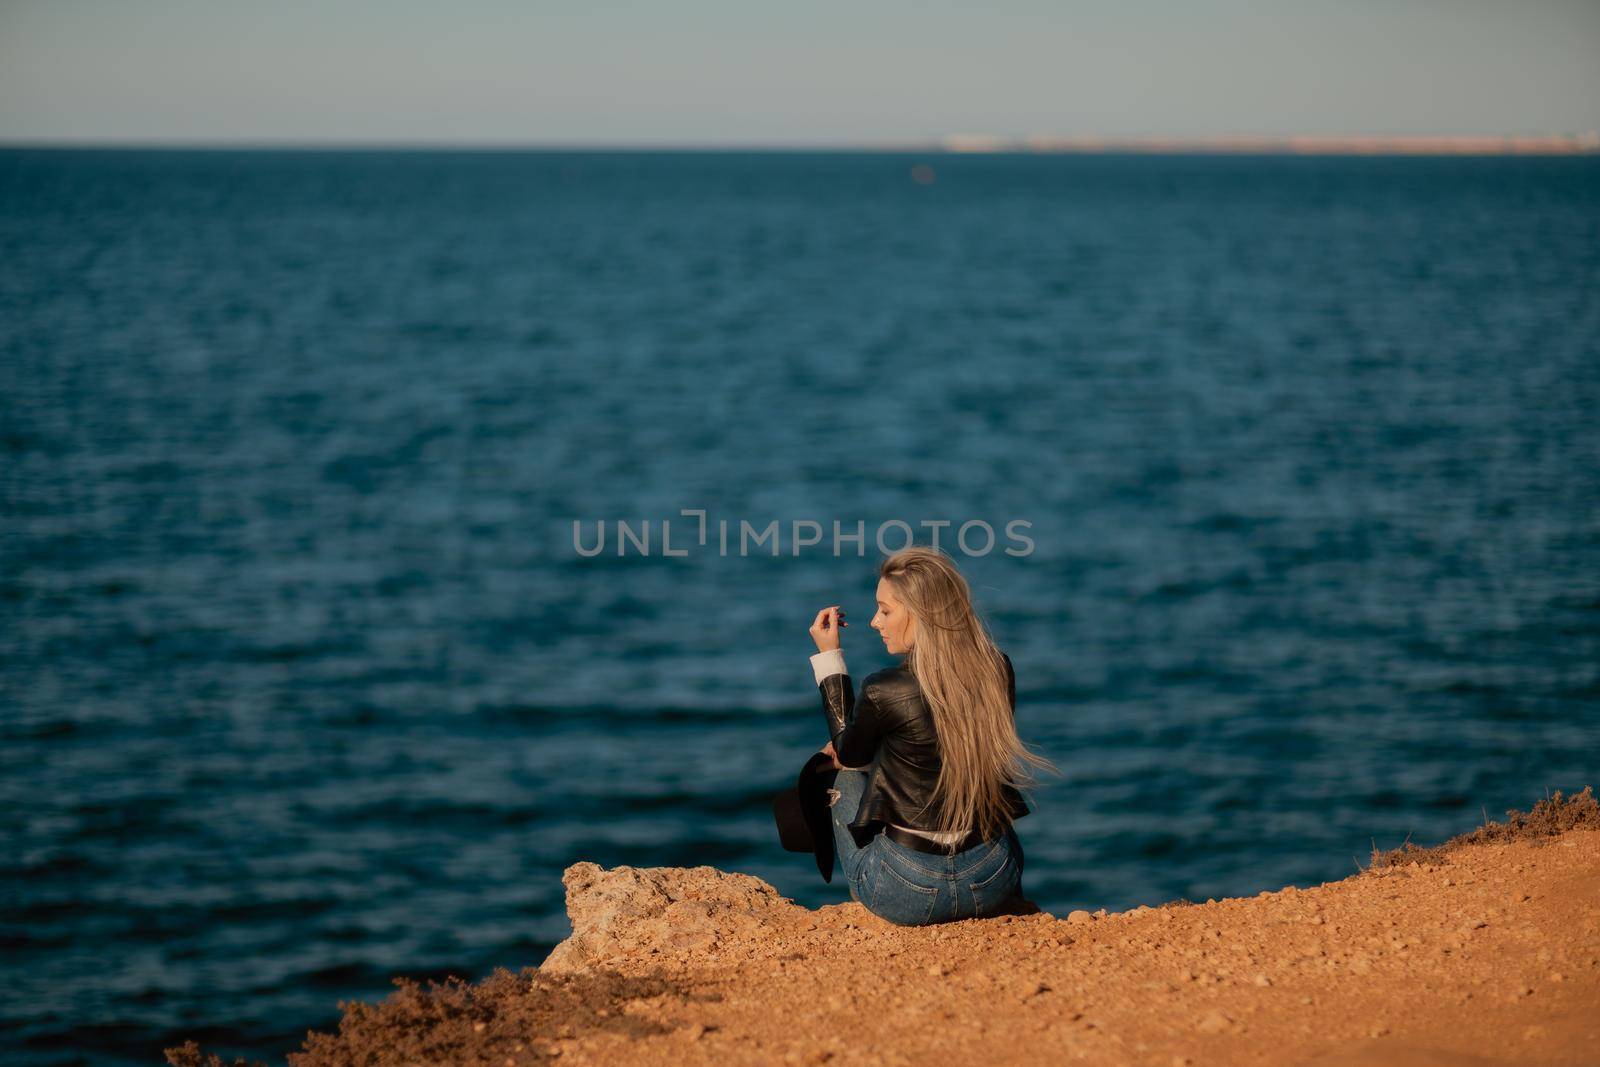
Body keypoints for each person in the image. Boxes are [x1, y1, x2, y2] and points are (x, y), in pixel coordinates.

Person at [805, 545, 1055, 925]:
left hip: (907, 890)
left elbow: (850, 756)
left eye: (885, 610)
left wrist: (829, 660)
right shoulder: (997, 669)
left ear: (921, 615)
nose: (875, 622)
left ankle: (865, 888)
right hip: (991, 878)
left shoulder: (882, 689)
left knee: (844, 776)